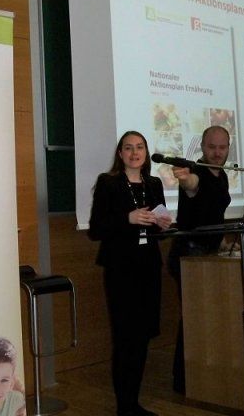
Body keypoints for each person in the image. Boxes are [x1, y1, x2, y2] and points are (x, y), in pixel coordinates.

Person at [88, 130, 173, 416]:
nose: (134, 153)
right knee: (126, 338)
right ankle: (124, 406)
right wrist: (128, 218)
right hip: (121, 270)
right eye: (128, 148)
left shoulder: (154, 183)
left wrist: (163, 226)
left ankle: (133, 403)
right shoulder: (108, 183)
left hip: (148, 267)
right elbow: (96, 229)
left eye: (139, 147)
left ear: (146, 153)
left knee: (143, 337)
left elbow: (157, 230)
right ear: (120, 154)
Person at [167, 125, 232, 395]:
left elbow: (212, 213)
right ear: (202, 147)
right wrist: (184, 179)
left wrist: (222, 240)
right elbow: (192, 186)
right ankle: (183, 380)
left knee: (205, 316)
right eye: (211, 147)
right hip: (189, 255)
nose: (217, 153)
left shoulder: (223, 175)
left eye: (222, 147)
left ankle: (201, 374)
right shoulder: (197, 172)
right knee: (194, 317)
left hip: (208, 254)